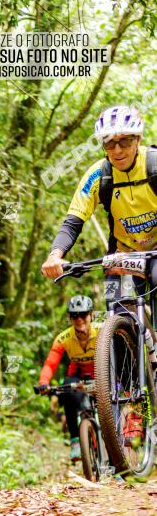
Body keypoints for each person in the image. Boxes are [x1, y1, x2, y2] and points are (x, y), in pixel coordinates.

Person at [41, 104, 157, 446]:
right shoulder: (99, 175)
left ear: (137, 139)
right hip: (121, 254)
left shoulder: (153, 164)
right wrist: (56, 255)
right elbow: (73, 220)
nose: (117, 150)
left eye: (124, 141)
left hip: (155, 253)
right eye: (110, 144)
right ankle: (129, 401)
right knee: (116, 320)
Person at [38, 295, 98, 461]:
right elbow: (50, 364)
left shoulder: (102, 331)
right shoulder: (63, 338)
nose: (79, 319)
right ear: (69, 318)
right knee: (67, 390)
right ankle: (75, 440)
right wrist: (44, 382)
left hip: (101, 373)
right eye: (74, 316)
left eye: (83, 314)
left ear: (91, 315)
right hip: (77, 376)